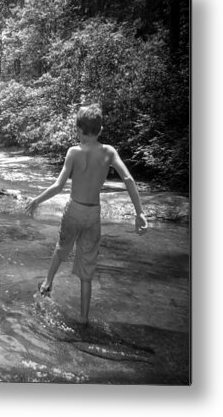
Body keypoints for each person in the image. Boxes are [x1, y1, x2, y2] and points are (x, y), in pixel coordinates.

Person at [25, 104, 148, 324]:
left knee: (61, 248)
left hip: (73, 211)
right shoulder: (109, 152)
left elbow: (59, 185)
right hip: (93, 215)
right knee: (87, 269)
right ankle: (83, 318)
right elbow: (128, 179)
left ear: (78, 130)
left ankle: (46, 285)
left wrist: (36, 200)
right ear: (100, 129)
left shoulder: (73, 152)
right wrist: (139, 212)